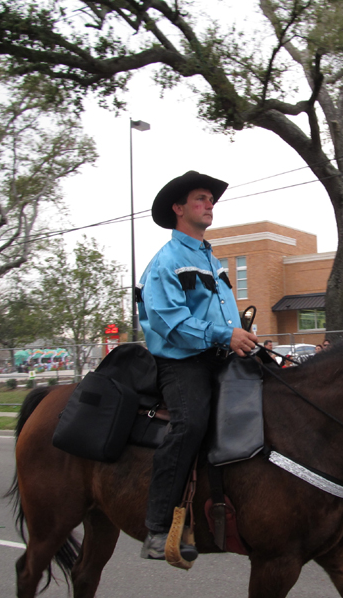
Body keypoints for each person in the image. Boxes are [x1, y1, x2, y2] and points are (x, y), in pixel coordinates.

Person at [137, 171, 259, 564]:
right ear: (179, 208)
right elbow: (167, 321)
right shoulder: (166, 261)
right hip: (180, 362)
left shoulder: (212, 257)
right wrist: (224, 337)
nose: (210, 205)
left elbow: (225, 317)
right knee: (189, 423)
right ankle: (157, 529)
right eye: (201, 198)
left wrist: (243, 337)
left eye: (211, 200)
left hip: (219, 354)